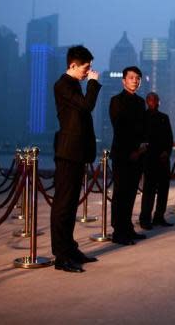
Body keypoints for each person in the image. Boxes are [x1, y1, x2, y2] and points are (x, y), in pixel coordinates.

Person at [51, 45, 101, 273]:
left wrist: (88, 82)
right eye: (86, 68)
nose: (89, 71)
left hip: (77, 152)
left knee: (71, 205)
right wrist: (93, 82)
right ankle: (61, 256)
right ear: (73, 65)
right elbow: (86, 107)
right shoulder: (62, 85)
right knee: (62, 205)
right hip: (67, 152)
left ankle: (70, 249)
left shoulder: (73, 86)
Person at [110, 66, 147, 245]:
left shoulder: (141, 102)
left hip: (138, 154)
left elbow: (142, 128)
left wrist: (141, 148)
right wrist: (131, 150)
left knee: (131, 193)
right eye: (131, 77)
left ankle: (128, 228)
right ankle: (118, 231)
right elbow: (120, 128)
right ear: (123, 80)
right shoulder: (116, 100)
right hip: (122, 154)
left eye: (137, 78)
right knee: (120, 194)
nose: (135, 80)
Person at [139, 92, 174, 230]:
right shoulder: (143, 117)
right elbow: (141, 137)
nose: (154, 102)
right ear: (148, 101)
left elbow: (169, 138)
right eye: (152, 100)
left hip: (163, 159)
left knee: (164, 190)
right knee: (149, 191)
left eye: (156, 100)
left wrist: (167, 151)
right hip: (149, 159)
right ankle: (145, 219)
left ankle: (159, 216)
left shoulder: (164, 117)